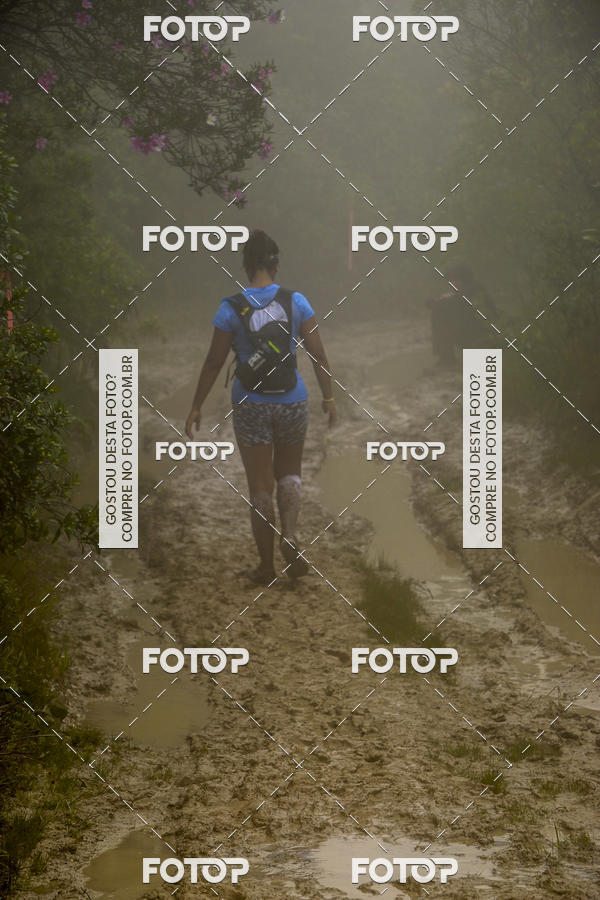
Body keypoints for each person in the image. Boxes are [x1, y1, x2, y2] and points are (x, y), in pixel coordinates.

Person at [185, 229, 336, 584]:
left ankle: (266, 567)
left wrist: (196, 406)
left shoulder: (229, 307)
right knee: (290, 473)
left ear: (246, 266)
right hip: (293, 400)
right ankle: (291, 535)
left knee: (259, 485)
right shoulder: (296, 302)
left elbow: (213, 362)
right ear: (276, 264)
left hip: (250, 402)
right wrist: (329, 397)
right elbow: (319, 355)